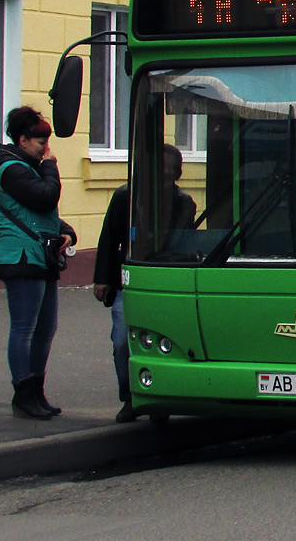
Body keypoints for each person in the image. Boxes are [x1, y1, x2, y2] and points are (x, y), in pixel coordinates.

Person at [93, 144, 195, 423]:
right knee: (120, 343)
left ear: (178, 174)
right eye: (159, 172)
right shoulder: (126, 196)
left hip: (166, 282)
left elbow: (186, 245)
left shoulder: (184, 202)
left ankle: (157, 400)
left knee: (163, 346)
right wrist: (102, 278)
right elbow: (109, 239)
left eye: (170, 172)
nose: (164, 178)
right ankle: (130, 398)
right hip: (130, 280)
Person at [0, 106, 77, 420]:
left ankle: (36, 392)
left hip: (40, 256)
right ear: (23, 139)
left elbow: (39, 212)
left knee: (46, 328)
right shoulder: (12, 169)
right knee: (25, 328)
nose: (46, 148)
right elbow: (45, 198)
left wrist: (66, 231)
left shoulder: (27, 167)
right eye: (40, 141)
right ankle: (23, 394)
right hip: (21, 257)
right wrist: (51, 167)